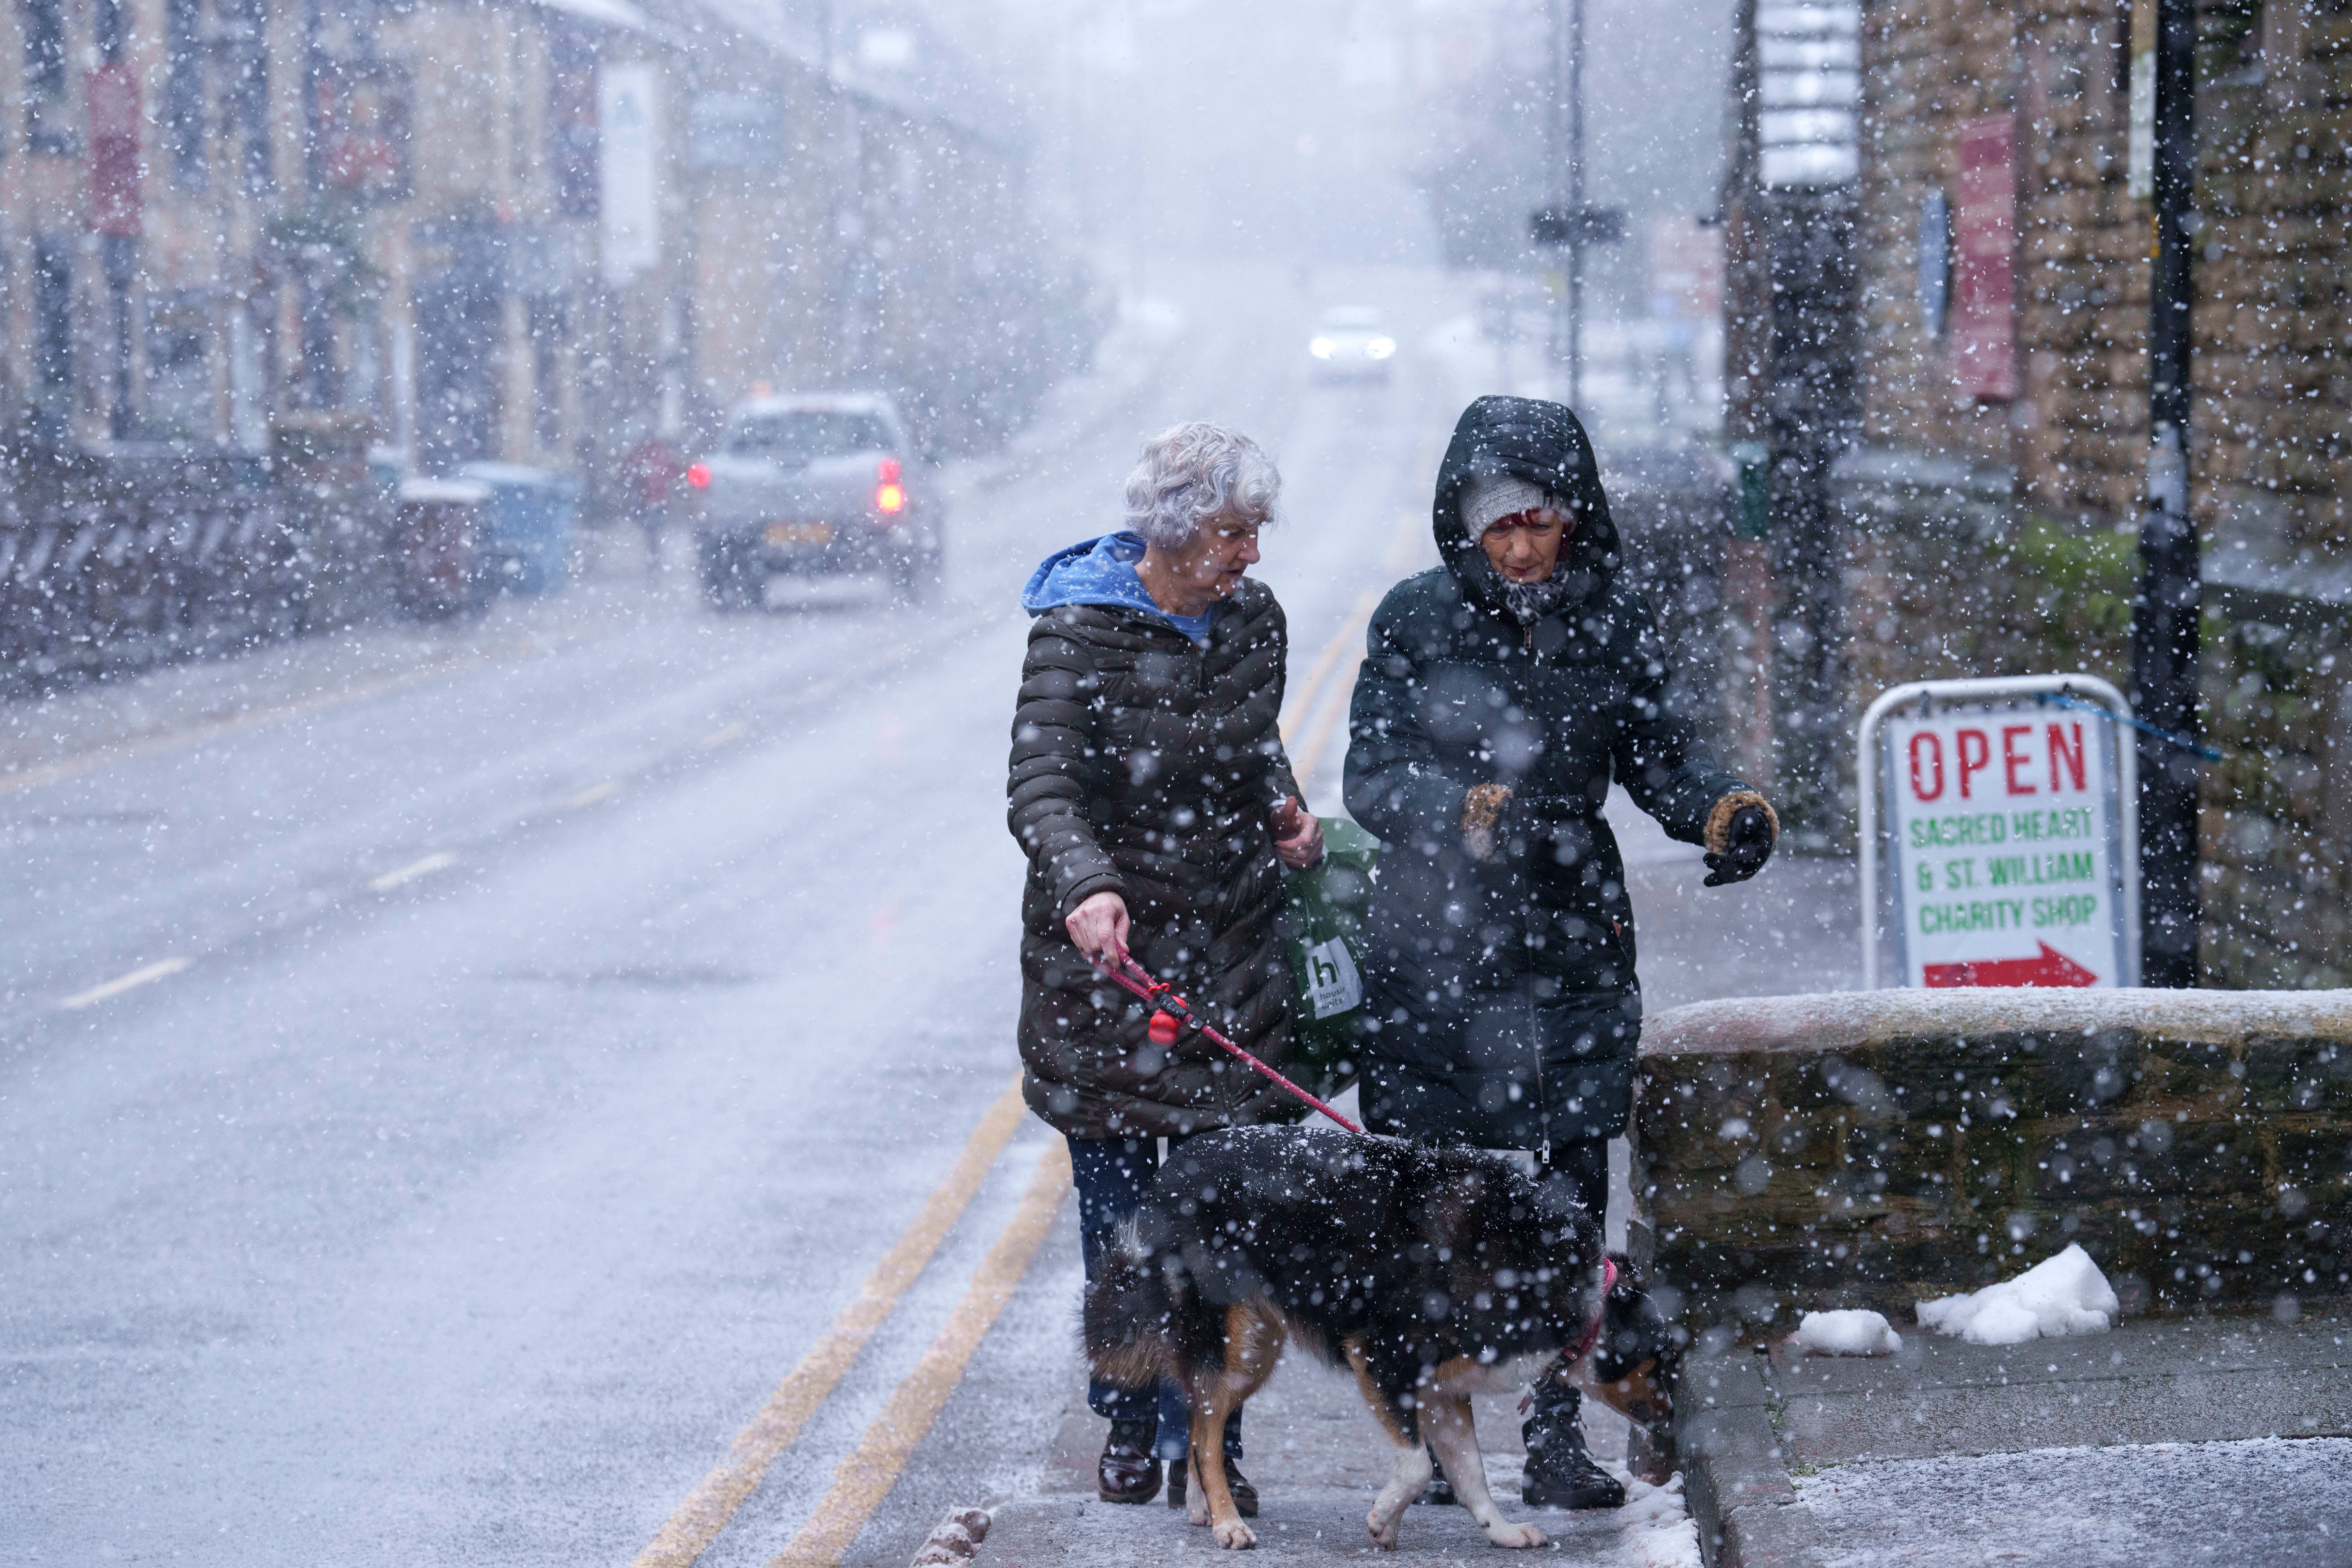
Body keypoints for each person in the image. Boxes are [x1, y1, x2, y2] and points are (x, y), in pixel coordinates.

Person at [1342, 395, 1776, 1510]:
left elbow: (1658, 751)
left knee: (1570, 1197)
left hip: (1572, 933)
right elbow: (1373, 779)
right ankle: (1441, 1441)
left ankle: (1553, 1437)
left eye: (1540, 521)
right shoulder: (1413, 622)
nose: (1523, 546)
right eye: (1500, 527)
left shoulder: (1611, 619)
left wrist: (1718, 808)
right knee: (1441, 1202)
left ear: (1572, 518)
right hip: (1440, 943)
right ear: (1466, 527)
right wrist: (1459, 813)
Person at [1008, 421, 1325, 1512]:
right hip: (1115, 973)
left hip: (1231, 954)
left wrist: (1279, 802)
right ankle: (1131, 1411)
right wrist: (1092, 886)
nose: (1250, 555)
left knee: (1226, 1219)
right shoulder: (1077, 632)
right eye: (1233, 533)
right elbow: (1043, 791)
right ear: (1176, 530)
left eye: (1254, 532)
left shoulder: (1253, 621)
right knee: (1127, 1225)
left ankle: (1213, 1431)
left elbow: (1252, 738)